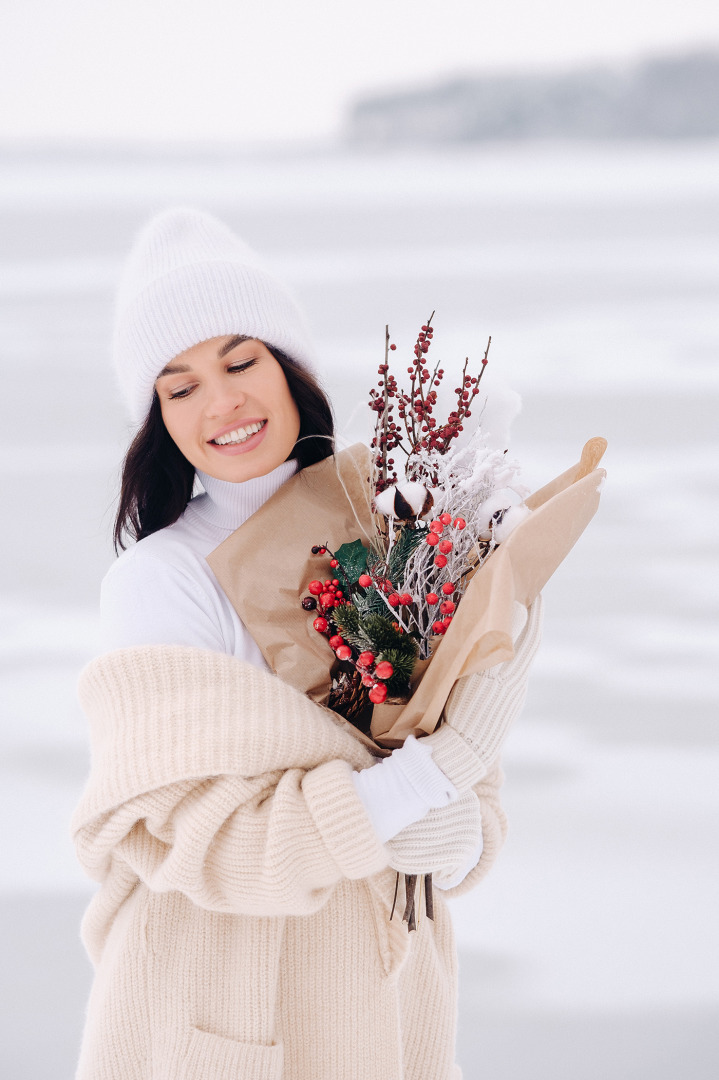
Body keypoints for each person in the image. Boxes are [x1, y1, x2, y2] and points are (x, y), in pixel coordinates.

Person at [71, 208, 542, 1080]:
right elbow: (195, 839)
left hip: (384, 1004)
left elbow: (469, 778)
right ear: (157, 422)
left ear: (290, 371)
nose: (222, 402)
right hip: (220, 1016)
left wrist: (462, 838)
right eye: (179, 387)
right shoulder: (162, 581)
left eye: (241, 360)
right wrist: (409, 788)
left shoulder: (397, 529)